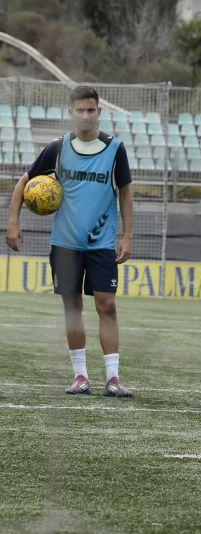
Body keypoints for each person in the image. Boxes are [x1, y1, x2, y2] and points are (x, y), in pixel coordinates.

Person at [5, 85, 135, 397]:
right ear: (70, 112)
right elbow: (23, 183)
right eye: (80, 110)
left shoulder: (115, 149)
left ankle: (113, 378)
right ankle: (80, 376)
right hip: (64, 244)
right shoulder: (57, 148)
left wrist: (127, 235)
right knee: (72, 307)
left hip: (102, 243)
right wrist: (13, 221)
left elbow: (126, 193)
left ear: (99, 112)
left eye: (91, 110)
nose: (86, 115)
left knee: (108, 305)